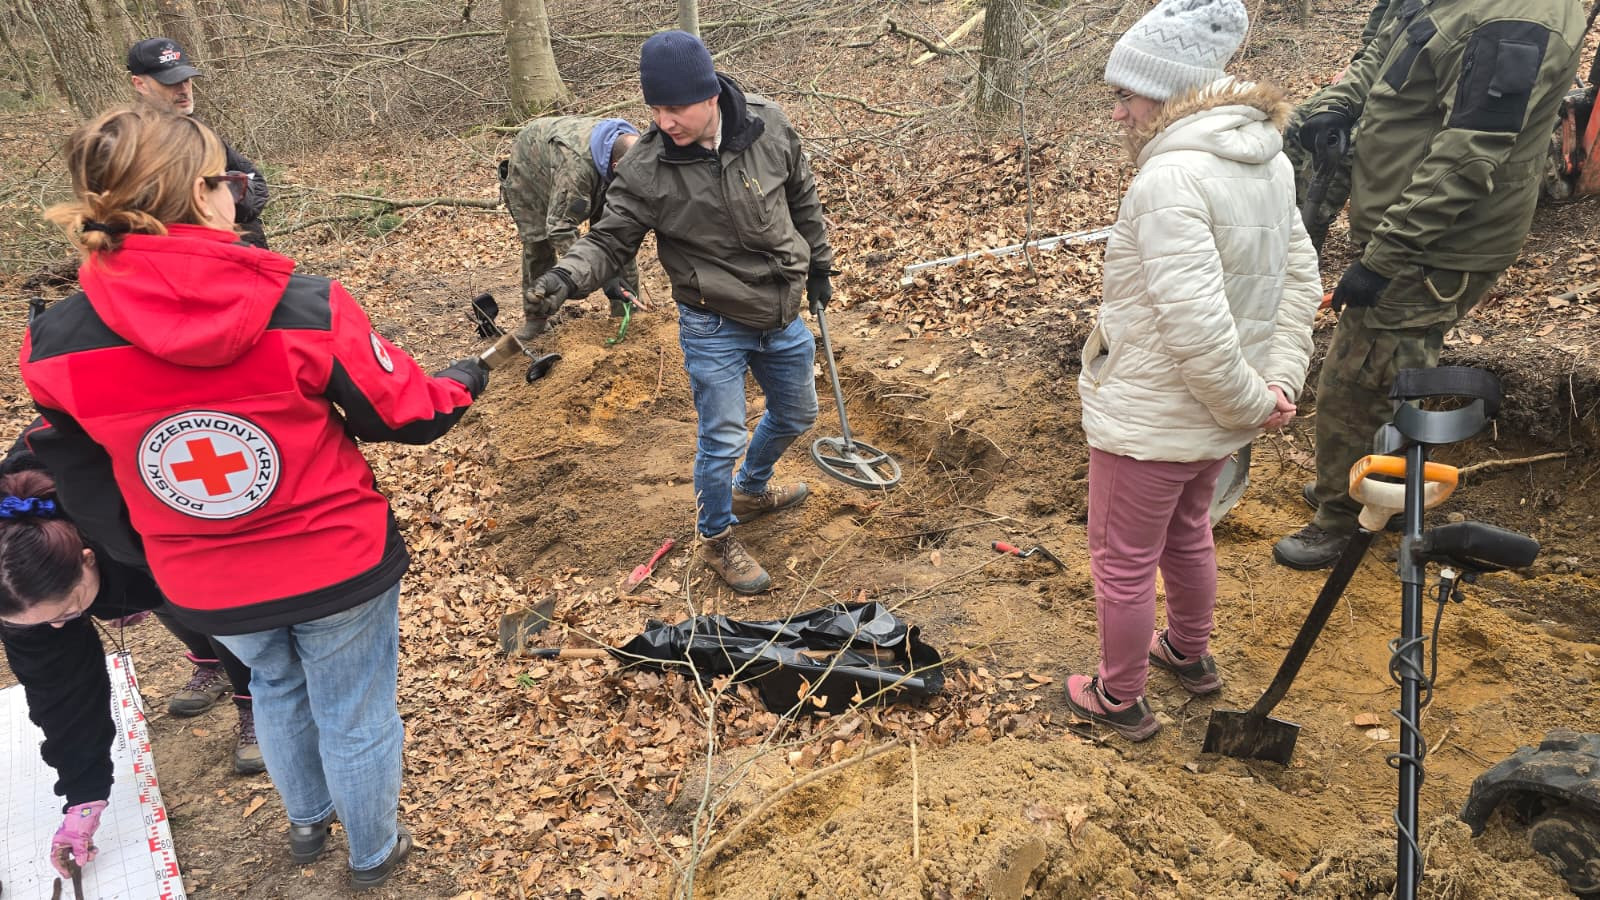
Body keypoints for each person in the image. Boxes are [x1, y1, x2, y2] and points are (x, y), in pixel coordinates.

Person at [20, 104, 489, 889]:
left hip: (206, 580)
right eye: (227, 180)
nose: (238, 193)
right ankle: (374, 852)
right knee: (355, 712)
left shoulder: (57, 343)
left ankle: (306, 821)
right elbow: (403, 415)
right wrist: (462, 385)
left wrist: (150, 553)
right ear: (202, 197)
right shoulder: (306, 307)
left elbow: (78, 469)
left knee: (273, 684)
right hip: (335, 558)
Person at [1064, 0, 1322, 741]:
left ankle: (1119, 697)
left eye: (1126, 95)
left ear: (1172, 92)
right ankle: (1189, 653)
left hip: (1155, 416)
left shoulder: (1169, 179)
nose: (1118, 113)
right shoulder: (1264, 160)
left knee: (1121, 560)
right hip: (1214, 415)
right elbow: (1298, 283)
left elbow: (1195, 321)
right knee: (1188, 533)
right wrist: (1275, 386)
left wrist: (1251, 402)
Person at [1272, 0, 1586, 570]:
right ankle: (1353, 486)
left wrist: (1386, 256)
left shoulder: (1519, 20)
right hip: (1408, 226)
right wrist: (1345, 101)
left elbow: (1468, 155)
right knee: (1375, 363)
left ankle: (1345, 520)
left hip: (1437, 243)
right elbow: (1395, 50)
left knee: (1362, 373)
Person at [530, 30, 834, 594]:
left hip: (781, 307)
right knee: (720, 436)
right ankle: (717, 536)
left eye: (676, 107)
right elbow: (609, 239)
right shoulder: (645, 169)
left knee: (796, 414)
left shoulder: (768, 126)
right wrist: (564, 277)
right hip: (712, 318)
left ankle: (752, 488)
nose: (664, 120)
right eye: (655, 108)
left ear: (710, 95)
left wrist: (818, 266)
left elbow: (802, 197)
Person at [0, 420, 263, 879]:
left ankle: (251, 698)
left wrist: (121, 591)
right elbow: (60, 692)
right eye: (43, 622)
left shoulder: (128, 517)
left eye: (67, 610)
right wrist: (84, 796)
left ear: (87, 559)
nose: (58, 628)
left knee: (199, 605)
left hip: (160, 534)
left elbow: (233, 594)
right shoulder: (16, 582)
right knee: (147, 598)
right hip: (105, 567)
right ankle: (207, 663)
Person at [500, 115, 643, 340]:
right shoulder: (575, 171)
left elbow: (616, 238)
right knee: (539, 245)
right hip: (533, 171)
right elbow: (560, 228)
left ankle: (627, 315)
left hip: (598, 173)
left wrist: (612, 273)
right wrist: (594, 274)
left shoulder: (638, 148)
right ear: (617, 166)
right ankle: (537, 318)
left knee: (617, 238)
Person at [127, 36, 271, 248]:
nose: (183, 89)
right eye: (171, 82)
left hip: (245, 253)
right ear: (140, 84)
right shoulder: (131, 144)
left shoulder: (200, 130)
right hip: (194, 262)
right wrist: (223, 191)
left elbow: (256, 184)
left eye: (186, 80)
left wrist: (225, 190)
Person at [1281, 0, 1401, 250]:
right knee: (1298, 124)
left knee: (1338, 147)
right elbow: (1377, 39)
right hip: (1376, 72)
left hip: (1407, 90)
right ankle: (1283, 225)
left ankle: (1307, 244)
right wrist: (1357, 63)